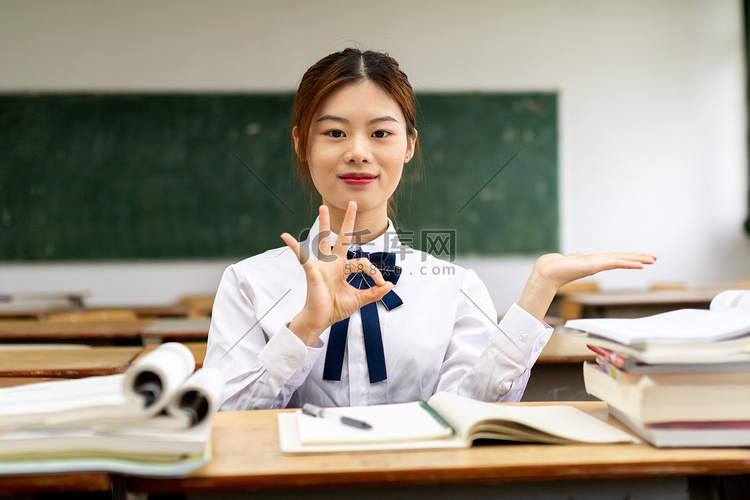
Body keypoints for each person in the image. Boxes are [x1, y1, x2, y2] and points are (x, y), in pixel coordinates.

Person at [204, 48, 656, 410]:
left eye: (381, 133)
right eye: (335, 133)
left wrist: (538, 291)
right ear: (301, 143)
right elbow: (222, 421)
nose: (359, 152)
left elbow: (473, 413)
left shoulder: (455, 288)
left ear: (409, 145)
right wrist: (303, 328)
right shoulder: (247, 283)